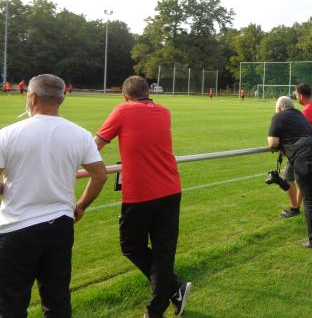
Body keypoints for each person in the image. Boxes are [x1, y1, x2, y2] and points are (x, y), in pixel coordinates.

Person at [0, 74, 107, 318]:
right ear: (62, 98)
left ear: (32, 97)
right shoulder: (79, 134)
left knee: (11, 302)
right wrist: (80, 206)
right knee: (57, 298)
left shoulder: (8, 134)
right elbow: (99, 176)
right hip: (60, 225)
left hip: (17, 227)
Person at [95, 76, 191, 318]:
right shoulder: (163, 111)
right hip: (171, 189)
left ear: (125, 96)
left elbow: (94, 145)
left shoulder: (123, 110)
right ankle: (162, 303)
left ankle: (172, 289)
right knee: (163, 251)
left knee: (131, 245)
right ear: (148, 91)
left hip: (141, 193)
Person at [267, 96, 312, 250]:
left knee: (311, 201)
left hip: (308, 158)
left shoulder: (278, 116)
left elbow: (272, 143)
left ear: (279, 108)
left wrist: (281, 145)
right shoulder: (300, 115)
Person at [279, 83, 312, 219]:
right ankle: (297, 207)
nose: (295, 98)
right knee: (302, 180)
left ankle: (295, 208)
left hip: (303, 150)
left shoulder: (307, 111)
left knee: (288, 178)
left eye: (295, 95)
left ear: (300, 95)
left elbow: (296, 131)